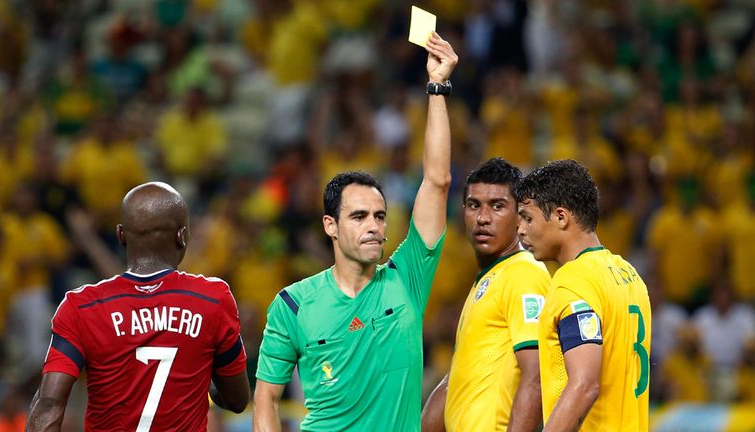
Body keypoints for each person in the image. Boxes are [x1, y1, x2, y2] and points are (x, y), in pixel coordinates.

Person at [253, 32, 458, 432]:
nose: (374, 227)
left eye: (380, 217)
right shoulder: (292, 305)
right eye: (359, 216)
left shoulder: (408, 278)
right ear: (330, 225)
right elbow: (266, 398)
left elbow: (437, 181)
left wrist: (437, 87)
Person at [26, 182, 250, 431]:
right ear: (182, 235)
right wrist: (199, 373)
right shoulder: (213, 299)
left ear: (121, 235)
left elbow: (48, 406)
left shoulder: (80, 306)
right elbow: (237, 399)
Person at [515, 159, 651, 431]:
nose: (520, 230)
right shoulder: (630, 275)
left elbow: (585, 384)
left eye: (528, 218)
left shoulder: (573, 281)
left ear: (561, 217)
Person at [421, 158, 550, 431]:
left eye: (497, 206)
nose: (482, 218)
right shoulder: (488, 279)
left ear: (520, 216)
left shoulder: (524, 273)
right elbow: (456, 380)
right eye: (474, 205)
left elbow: (537, 376)